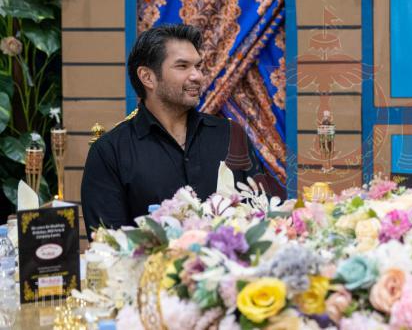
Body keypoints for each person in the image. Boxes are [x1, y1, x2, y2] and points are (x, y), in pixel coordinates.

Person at [81, 24, 282, 236]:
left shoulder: (230, 135)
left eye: (198, 66)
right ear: (147, 77)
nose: (197, 76)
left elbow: (262, 216)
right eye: (182, 66)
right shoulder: (110, 152)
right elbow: (108, 243)